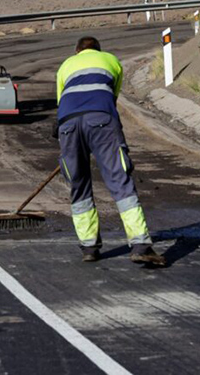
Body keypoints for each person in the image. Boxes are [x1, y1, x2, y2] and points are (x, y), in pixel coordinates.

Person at [55, 36, 165, 265]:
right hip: (101, 120)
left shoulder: (65, 66)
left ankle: (88, 248)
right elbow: (112, 98)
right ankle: (140, 244)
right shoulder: (111, 60)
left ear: (77, 51)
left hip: (68, 126)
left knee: (78, 184)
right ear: (98, 49)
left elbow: (61, 103)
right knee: (119, 179)